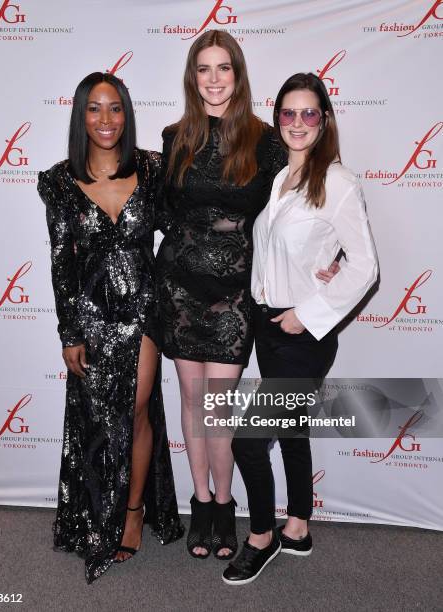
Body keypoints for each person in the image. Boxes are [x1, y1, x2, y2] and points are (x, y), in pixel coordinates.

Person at [223, 72, 379, 585]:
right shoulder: (280, 178)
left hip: (303, 333)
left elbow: (365, 267)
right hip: (270, 326)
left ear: (324, 120)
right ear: (278, 120)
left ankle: (262, 537)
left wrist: (306, 313)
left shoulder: (336, 182)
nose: (297, 122)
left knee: (247, 441)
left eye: (308, 113)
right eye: (287, 113)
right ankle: (299, 528)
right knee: (290, 431)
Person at [37, 72, 183, 584]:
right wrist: (69, 333)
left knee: (138, 407)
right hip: (91, 315)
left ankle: (133, 510)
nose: (106, 119)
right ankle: (92, 510)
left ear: (127, 114)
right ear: (81, 116)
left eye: (115, 108)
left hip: (143, 311)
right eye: (95, 109)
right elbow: (60, 261)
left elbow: (184, 228)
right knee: (97, 419)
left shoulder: (152, 167)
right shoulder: (57, 180)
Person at [155, 30, 288, 560]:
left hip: (235, 292)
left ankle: (227, 502)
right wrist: (196, 232)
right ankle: (203, 502)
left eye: (223, 68)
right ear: (193, 77)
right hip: (181, 286)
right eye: (203, 69)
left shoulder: (265, 140)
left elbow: (285, 216)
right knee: (191, 399)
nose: (213, 79)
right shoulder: (175, 136)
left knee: (218, 405)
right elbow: (163, 210)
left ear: (238, 74)